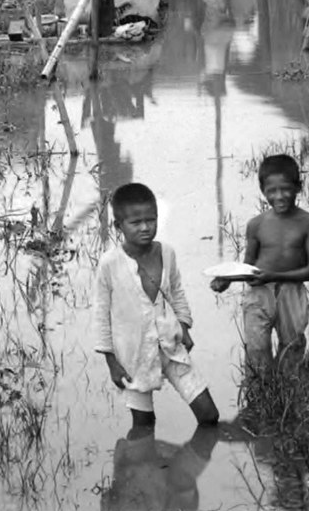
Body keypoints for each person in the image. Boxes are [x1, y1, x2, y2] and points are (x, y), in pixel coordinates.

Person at [94, 182, 220, 428]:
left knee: (209, 415)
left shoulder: (167, 253)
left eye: (151, 220)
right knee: (143, 424)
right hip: (133, 356)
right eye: (136, 222)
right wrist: (112, 364)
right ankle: (148, 465)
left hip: (171, 346)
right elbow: (101, 317)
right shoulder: (109, 264)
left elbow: (176, 292)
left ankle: (179, 462)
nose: (145, 228)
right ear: (118, 226)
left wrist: (184, 325)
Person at [211, 155, 309, 387]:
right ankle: (261, 395)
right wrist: (227, 279)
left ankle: (288, 396)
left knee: (291, 348)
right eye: (272, 190)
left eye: (285, 189)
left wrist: (275, 276)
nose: (279, 196)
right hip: (259, 294)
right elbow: (248, 266)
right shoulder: (256, 225)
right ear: (262, 190)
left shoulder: (308, 223)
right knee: (257, 348)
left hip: (292, 293)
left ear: (298, 187)